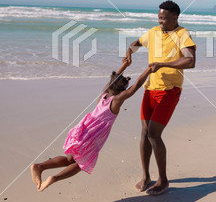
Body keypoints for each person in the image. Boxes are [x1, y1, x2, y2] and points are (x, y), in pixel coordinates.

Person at [30, 61, 151, 192]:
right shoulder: (116, 100)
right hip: (93, 135)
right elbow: (137, 85)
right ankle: (55, 178)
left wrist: (125, 65)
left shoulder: (105, 93)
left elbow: (115, 76)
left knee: (69, 159)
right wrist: (149, 70)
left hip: (83, 128)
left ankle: (39, 167)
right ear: (122, 90)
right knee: (80, 164)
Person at [123, 0, 196, 195]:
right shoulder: (153, 32)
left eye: (164, 18)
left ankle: (163, 181)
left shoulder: (182, 34)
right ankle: (146, 176)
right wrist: (129, 52)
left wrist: (163, 64)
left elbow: (190, 61)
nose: (160, 21)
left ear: (175, 17)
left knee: (154, 134)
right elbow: (136, 43)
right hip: (150, 89)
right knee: (144, 133)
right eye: (159, 17)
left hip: (170, 90)